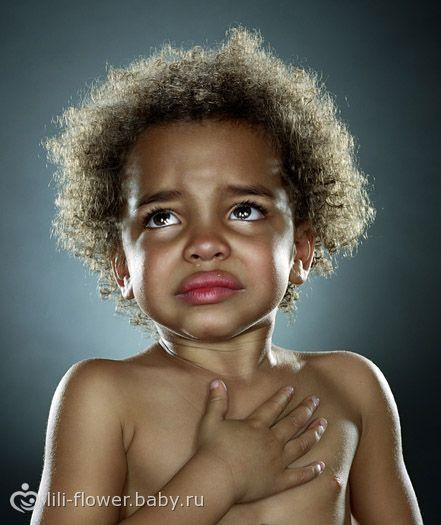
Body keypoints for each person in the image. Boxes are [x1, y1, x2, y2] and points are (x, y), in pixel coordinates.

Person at [31, 27, 423, 524]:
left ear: (301, 251)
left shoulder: (353, 387)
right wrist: (220, 474)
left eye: (244, 210)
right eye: (162, 217)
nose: (204, 243)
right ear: (123, 267)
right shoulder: (101, 395)